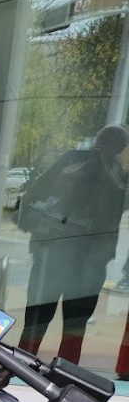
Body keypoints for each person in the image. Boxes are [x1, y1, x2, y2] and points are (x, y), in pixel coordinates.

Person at [17, 124, 129, 363]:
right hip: (79, 259)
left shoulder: (85, 164)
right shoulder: (116, 175)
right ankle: (60, 377)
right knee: (68, 327)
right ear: (120, 148)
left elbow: (33, 196)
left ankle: (27, 368)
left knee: (42, 321)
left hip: (61, 255)